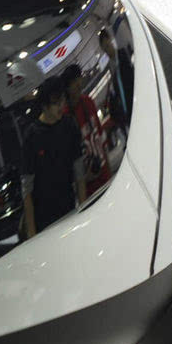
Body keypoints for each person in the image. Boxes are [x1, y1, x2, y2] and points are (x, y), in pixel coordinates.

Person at [21, 75, 86, 238]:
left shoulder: (69, 125)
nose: (61, 107)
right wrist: (32, 234)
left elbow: (79, 173)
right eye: (56, 103)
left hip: (70, 209)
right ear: (44, 106)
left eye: (63, 101)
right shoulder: (32, 136)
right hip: (44, 222)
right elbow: (27, 189)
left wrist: (84, 210)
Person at [62, 64, 112, 197]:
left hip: (104, 173)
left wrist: (109, 169)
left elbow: (100, 136)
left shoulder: (88, 102)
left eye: (79, 79)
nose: (78, 84)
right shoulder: (65, 117)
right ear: (67, 88)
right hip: (89, 187)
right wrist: (83, 179)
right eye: (74, 82)